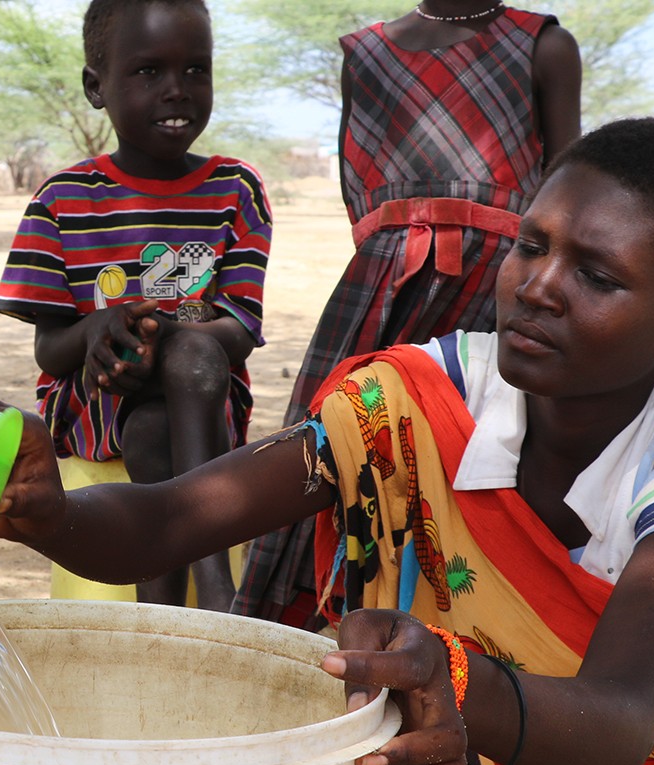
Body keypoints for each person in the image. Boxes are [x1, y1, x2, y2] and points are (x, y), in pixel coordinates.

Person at [0, 118, 654, 765]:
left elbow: (619, 728)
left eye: (597, 276)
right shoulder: (426, 394)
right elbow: (174, 518)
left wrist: (456, 677)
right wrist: (53, 511)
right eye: (531, 245)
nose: (538, 287)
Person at [236, 0, 583, 628]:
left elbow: (568, 187)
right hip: (384, 288)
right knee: (342, 439)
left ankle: (474, 631)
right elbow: (356, 187)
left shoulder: (544, 45)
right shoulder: (365, 54)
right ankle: (317, 618)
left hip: (497, 290)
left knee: (477, 452)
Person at [0, 0, 273, 611]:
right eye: (148, 72)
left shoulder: (236, 190)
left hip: (205, 391)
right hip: (96, 397)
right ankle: (217, 587)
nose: (177, 91)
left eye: (196, 70)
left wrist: (161, 330)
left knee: (180, 376)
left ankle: (165, 607)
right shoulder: (62, 201)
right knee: (162, 388)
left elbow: (240, 329)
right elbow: (50, 348)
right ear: (98, 86)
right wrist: (99, 327)